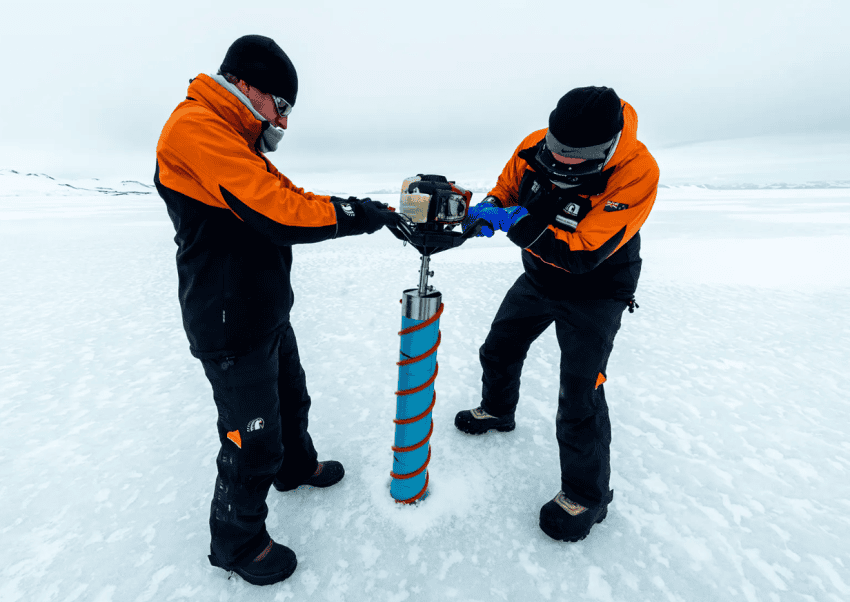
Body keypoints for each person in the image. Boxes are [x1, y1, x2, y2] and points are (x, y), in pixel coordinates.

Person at [154, 35, 401, 586]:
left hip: (261, 307)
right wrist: (353, 217)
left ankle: (296, 467)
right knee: (251, 436)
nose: (283, 122)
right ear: (246, 86)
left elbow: (289, 194)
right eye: (280, 105)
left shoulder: (233, 139)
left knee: (291, 397)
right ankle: (236, 542)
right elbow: (278, 212)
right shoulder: (195, 128)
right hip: (226, 319)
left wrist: (360, 208)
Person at [456, 86, 658, 542]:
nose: (564, 164)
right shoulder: (532, 145)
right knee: (500, 347)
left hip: (596, 290)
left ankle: (587, 496)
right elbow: (505, 191)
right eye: (558, 152)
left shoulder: (637, 171)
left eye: (577, 159)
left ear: (607, 147)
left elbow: (584, 253)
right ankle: (497, 410)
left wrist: (516, 224)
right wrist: (489, 211)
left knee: (579, 393)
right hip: (539, 276)